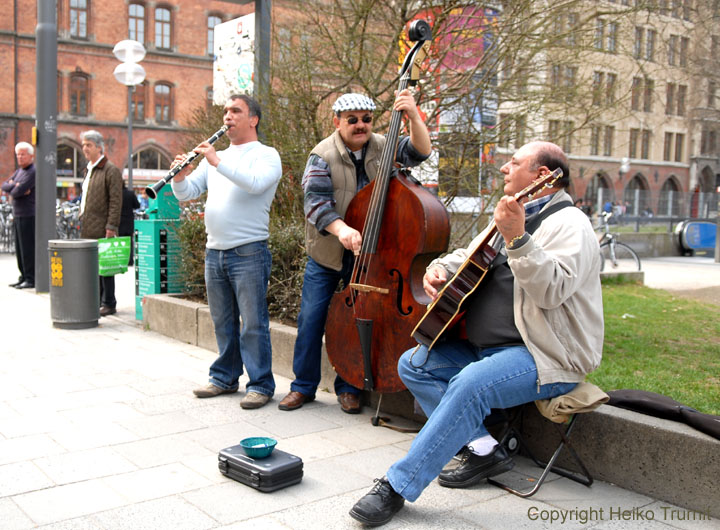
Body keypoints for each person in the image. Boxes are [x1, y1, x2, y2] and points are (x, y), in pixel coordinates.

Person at [349, 141, 604, 526]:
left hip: (545, 356)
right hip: (489, 349)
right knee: (414, 364)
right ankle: (485, 450)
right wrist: (438, 269)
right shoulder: (509, 212)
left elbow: (551, 290)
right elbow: (468, 256)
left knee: (471, 384)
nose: (504, 168)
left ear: (542, 176)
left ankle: (397, 486)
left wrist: (518, 238)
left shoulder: (572, 226)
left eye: (515, 162)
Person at [277, 90, 433, 415]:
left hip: (372, 255)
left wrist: (414, 116)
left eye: (366, 119)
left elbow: (420, 151)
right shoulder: (321, 154)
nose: (360, 125)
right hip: (330, 252)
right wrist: (342, 229)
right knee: (311, 319)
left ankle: (349, 387)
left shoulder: (384, 146)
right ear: (337, 122)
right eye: (352, 120)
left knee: (360, 317)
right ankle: (302, 387)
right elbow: (316, 204)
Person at [170, 94, 282, 410]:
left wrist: (217, 161)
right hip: (214, 251)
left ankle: (260, 384)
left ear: (253, 119)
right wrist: (179, 177)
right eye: (225, 111)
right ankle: (224, 378)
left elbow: (256, 184)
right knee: (222, 321)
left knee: (253, 323)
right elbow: (187, 193)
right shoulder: (214, 159)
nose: (227, 116)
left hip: (249, 251)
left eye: (235, 111)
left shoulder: (266, 155)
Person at [78, 131, 123, 316]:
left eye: (88, 145)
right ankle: (95, 300)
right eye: (83, 145)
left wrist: (111, 226)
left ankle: (109, 302)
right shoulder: (89, 169)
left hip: (102, 227)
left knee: (106, 266)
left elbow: (115, 200)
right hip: (88, 225)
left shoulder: (109, 170)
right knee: (93, 267)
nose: (84, 149)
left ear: (99, 147)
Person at [2, 142, 36, 289]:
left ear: (31, 156)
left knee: (28, 248)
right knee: (19, 248)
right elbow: (4, 186)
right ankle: (23, 276)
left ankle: (30, 278)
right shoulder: (19, 171)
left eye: (23, 154)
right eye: (18, 154)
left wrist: (15, 186)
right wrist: (14, 185)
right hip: (18, 214)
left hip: (28, 214)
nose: (20, 157)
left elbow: (18, 191)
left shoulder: (32, 171)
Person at [120, 182, 140, 266]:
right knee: (129, 241)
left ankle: (121, 260)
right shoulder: (130, 194)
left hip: (119, 221)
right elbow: (137, 205)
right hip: (129, 221)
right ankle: (130, 260)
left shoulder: (116, 195)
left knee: (120, 241)